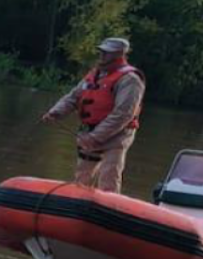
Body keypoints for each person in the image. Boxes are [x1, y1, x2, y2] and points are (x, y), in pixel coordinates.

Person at [41, 37, 145, 193]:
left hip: (117, 135)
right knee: (82, 176)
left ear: (119, 54)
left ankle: (107, 208)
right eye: (101, 52)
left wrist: (96, 136)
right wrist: (56, 112)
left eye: (107, 53)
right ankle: (77, 204)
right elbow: (74, 97)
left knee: (108, 177)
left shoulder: (130, 80)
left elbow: (123, 114)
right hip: (89, 131)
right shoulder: (95, 74)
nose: (102, 56)